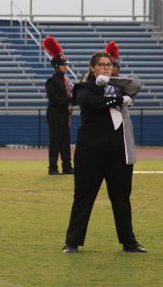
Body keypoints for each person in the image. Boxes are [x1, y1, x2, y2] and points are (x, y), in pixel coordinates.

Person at [62, 52, 146, 254]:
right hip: (91, 152)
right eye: (101, 65)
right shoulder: (84, 86)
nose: (106, 67)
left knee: (121, 198)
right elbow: (90, 102)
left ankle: (129, 242)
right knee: (84, 197)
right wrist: (117, 99)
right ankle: (72, 242)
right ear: (92, 67)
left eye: (109, 65)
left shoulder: (118, 84)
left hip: (118, 152)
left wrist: (111, 82)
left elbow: (136, 84)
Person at [42, 35, 73, 175]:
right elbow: (53, 99)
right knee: (55, 141)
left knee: (66, 142)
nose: (65, 67)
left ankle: (67, 167)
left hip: (65, 114)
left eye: (65, 64)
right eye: (63, 64)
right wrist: (69, 99)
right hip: (55, 114)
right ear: (56, 66)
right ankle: (52, 168)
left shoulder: (66, 80)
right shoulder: (52, 81)